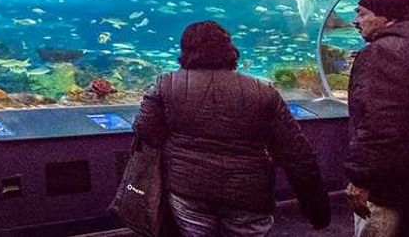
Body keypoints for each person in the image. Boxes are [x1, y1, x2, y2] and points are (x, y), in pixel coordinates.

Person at [132, 21, 330, 237]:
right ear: (229, 48)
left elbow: (145, 130)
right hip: (248, 194)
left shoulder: (166, 85)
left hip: (189, 190)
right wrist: (315, 207)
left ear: (186, 50)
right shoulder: (263, 91)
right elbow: (296, 153)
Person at [343, 0, 409, 237]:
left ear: (387, 17)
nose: (356, 21)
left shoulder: (381, 52)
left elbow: (382, 122)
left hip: (385, 187)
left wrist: (361, 179)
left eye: (362, 13)